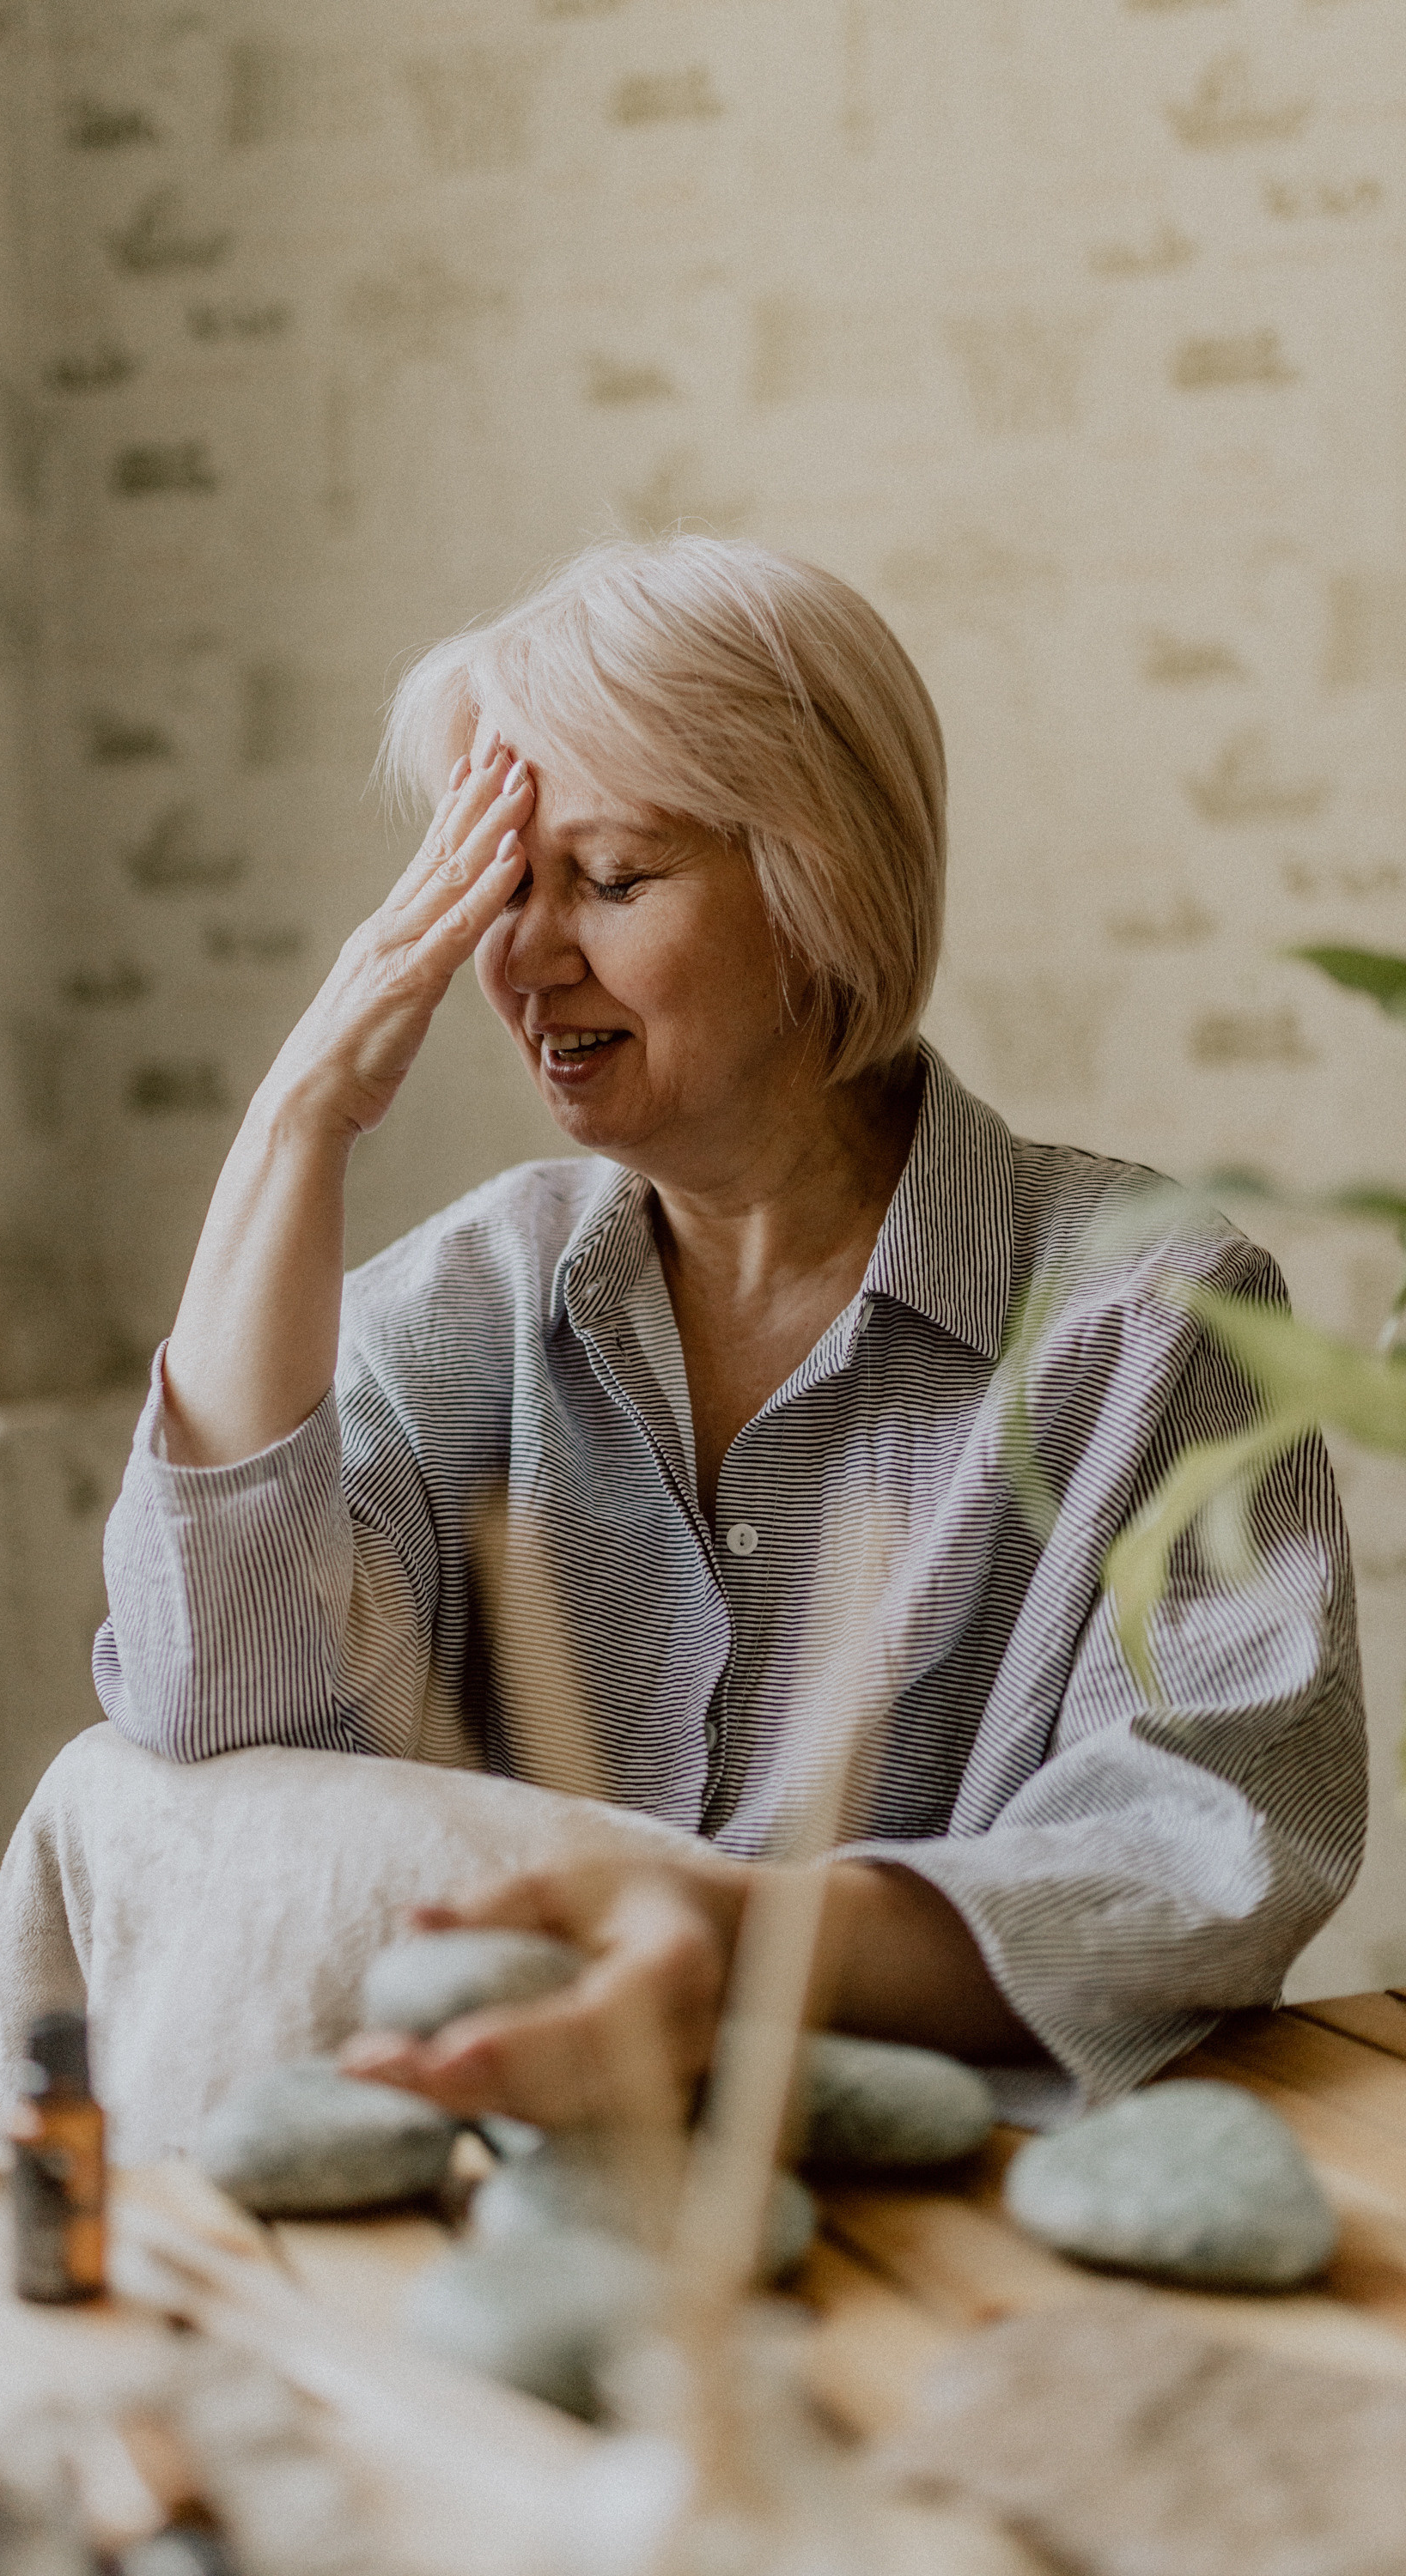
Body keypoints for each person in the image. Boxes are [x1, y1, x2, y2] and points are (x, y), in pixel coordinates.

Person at [94, 537, 1365, 2121]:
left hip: (958, 2184)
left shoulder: (1149, 1318)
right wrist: (295, 1127)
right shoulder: (460, 1307)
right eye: (499, 883)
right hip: (518, 2185)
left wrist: (730, 1943)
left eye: (612, 880)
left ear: (822, 888)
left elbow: (1210, 1847)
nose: (525, 958)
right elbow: (206, 1714)